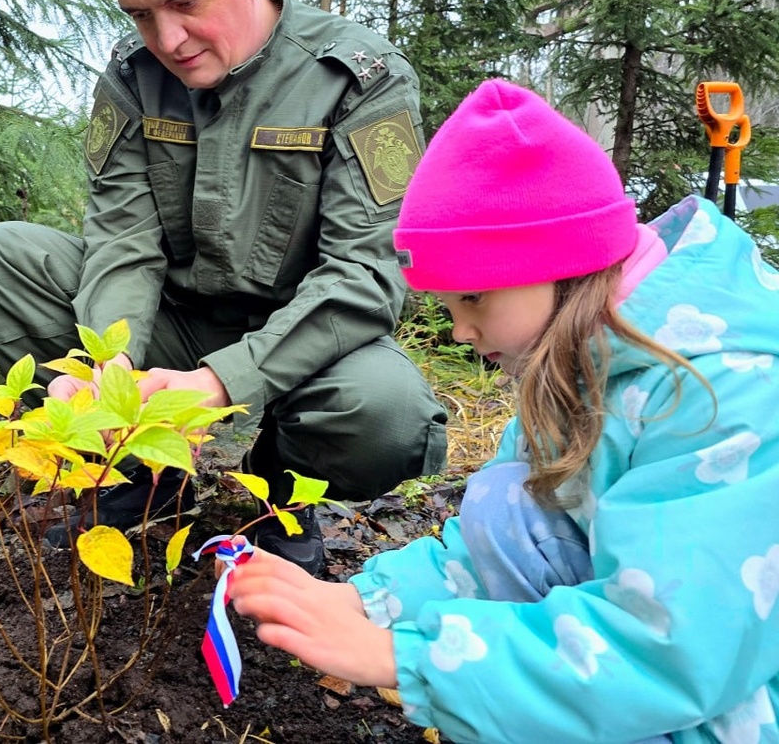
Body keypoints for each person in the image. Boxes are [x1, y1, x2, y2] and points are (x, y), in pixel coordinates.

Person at [228, 78, 779, 742]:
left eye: (475, 299)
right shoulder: (583, 359)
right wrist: (368, 602)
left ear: (558, 265)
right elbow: (504, 534)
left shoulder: (722, 394)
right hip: (684, 654)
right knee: (515, 500)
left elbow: (675, 649)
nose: (461, 332)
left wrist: (407, 660)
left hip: (734, 685)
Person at [0, 0, 447, 575]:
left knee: (387, 412)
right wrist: (109, 367)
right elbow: (122, 238)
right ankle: (134, 479)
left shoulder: (357, 76)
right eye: (140, 14)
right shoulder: (131, 77)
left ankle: (278, 500)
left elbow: (366, 275)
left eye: (187, 2)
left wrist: (223, 383)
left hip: (305, 340)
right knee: (0, 257)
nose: (169, 37)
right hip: (172, 323)